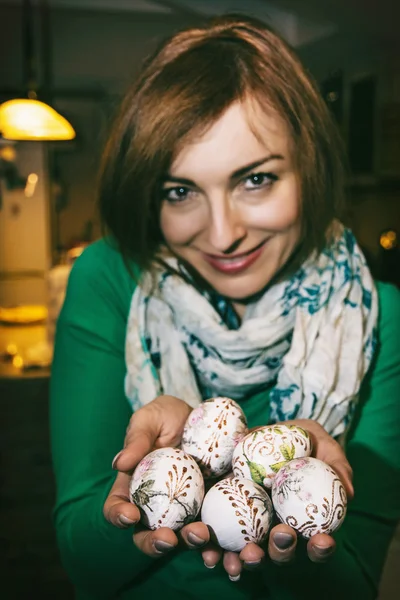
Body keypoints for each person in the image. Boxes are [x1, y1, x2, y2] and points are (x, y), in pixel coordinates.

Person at [50, 13, 400, 600]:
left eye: (255, 179)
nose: (222, 234)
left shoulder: (376, 316)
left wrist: (283, 539)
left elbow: (357, 581)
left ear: (307, 168)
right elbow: (82, 564)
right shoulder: (112, 279)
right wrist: (145, 490)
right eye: (180, 191)